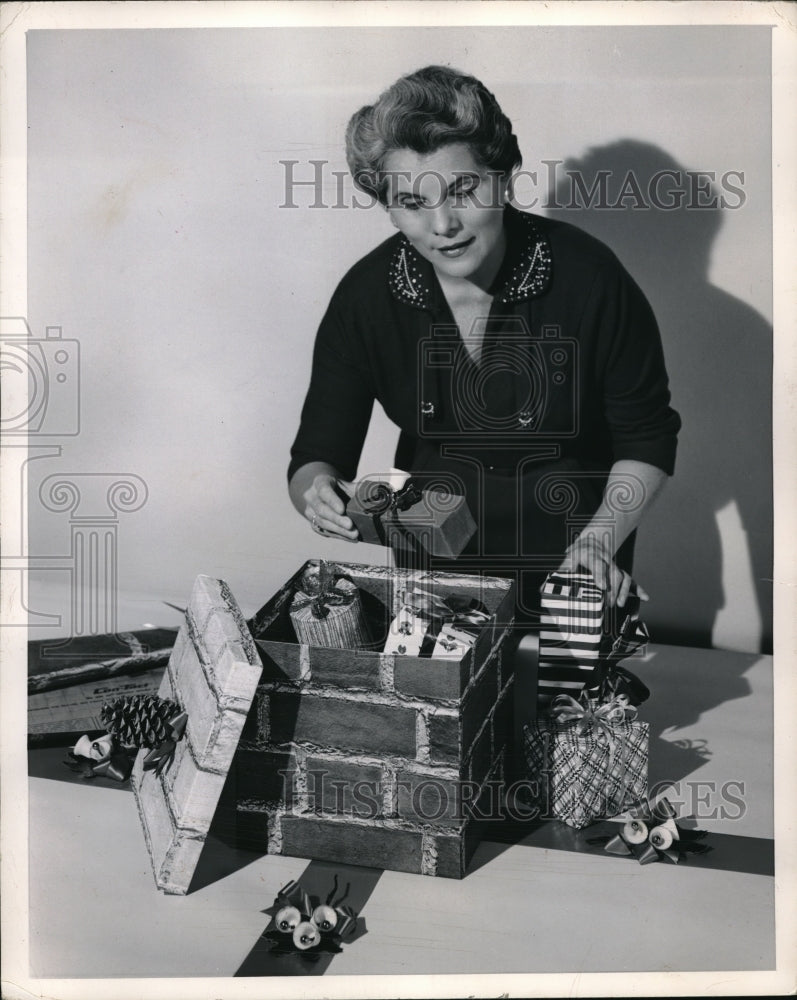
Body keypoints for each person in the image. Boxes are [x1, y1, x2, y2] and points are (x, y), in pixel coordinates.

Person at [288, 65, 680, 652]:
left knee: (561, 724)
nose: (443, 225)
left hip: (574, 553)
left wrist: (599, 543)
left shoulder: (591, 279)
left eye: (463, 190)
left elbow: (647, 442)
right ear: (387, 206)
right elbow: (315, 457)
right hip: (431, 573)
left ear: (503, 178)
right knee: (443, 725)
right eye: (411, 202)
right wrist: (317, 495)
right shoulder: (365, 297)